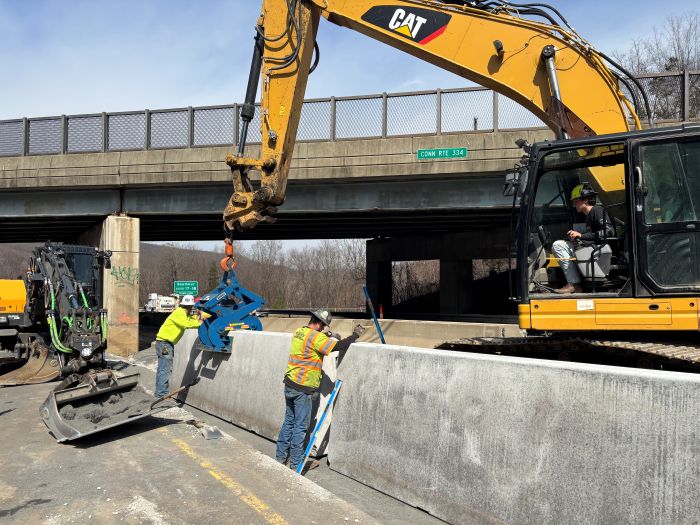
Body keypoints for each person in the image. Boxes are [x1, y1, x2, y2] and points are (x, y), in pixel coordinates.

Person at [275, 309, 365, 472]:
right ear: (320, 324)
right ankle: (296, 464)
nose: (324, 329)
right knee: (300, 427)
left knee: (289, 421)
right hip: (303, 387)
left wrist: (328, 336)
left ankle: (281, 457)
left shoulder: (300, 331)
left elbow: (315, 344)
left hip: (290, 382)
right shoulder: (317, 337)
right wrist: (354, 336)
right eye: (323, 326)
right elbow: (336, 346)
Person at [552, 183, 615, 294]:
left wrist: (581, 236)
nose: (573, 204)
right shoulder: (588, 216)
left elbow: (608, 232)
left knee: (558, 245)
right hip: (592, 247)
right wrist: (578, 238)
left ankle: (574, 284)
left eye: (575, 201)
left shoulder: (597, 210)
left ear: (585, 200)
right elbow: (593, 235)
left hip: (598, 249)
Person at [153, 294, 202, 397]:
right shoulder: (180, 313)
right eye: (190, 307)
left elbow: (190, 320)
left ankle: (159, 392)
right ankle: (162, 394)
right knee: (165, 368)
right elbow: (187, 324)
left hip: (164, 343)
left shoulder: (183, 313)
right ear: (189, 306)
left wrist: (199, 317)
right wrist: (201, 322)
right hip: (164, 344)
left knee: (163, 367)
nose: (191, 308)